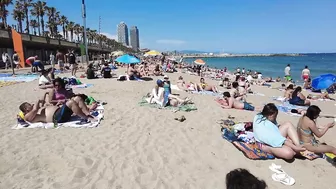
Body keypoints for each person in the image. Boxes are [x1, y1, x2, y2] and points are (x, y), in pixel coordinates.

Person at [19, 96, 95, 124]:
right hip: (56, 118)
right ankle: (86, 118)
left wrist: (57, 105)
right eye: (29, 105)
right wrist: (37, 101)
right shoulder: (27, 116)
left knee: (77, 98)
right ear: (26, 109)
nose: (30, 105)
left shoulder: (37, 110)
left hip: (60, 112)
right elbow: (35, 109)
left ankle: (87, 113)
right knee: (71, 102)